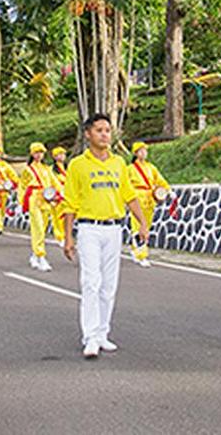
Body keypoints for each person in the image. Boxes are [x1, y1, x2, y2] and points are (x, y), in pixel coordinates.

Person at [62, 113, 149, 360]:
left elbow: (129, 195)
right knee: (91, 282)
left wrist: (142, 222)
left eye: (108, 130)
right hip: (89, 228)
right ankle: (89, 336)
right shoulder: (78, 164)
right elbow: (70, 202)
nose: (104, 135)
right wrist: (68, 238)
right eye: (99, 130)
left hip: (114, 228)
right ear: (88, 134)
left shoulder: (119, 164)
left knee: (109, 285)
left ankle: (102, 333)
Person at [127, 142, 171, 268]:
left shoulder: (151, 167)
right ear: (135, 153)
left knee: (147, 226)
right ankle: (142, 255)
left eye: (145, 150)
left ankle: (136, 249)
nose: (144, 153)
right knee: (137, 226)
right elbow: (125, 184)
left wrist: (168, 189)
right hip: (136, 197)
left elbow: (160, 180)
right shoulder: (130, 169)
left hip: (149, 198)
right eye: (141, 151)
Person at [20, 142, 59, 272]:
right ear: (32, 154)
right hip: (34, 199)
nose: (39, 155)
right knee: (37, 227)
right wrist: (22, 202)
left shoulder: (47, 169)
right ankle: (41, 256)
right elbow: (22, 186)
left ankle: (34, 255)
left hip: (46, 198)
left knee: (43, 227)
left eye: (41, 152)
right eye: (36, 152)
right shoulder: (28, 169)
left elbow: (55, 183)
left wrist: (62, 194)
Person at [49, 147, 68, 247]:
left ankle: (67, 236)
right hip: (57, 195)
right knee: (58, 218)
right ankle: (60, 237)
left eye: (63, 154)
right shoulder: (51, 170)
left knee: (67, 217)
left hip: (68, 194)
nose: (62, 156)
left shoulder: (68, 167)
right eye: (59, 154)